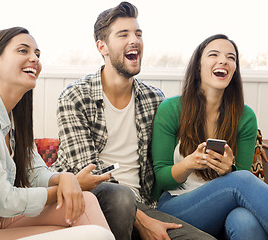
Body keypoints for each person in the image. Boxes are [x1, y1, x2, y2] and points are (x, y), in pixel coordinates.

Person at [50, 2, 215, 240]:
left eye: (138, 33)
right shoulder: (75, 97)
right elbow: (89, 174)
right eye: (123, 34)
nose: (135, 40)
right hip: (96, 201)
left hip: (146, 203)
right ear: (102, 47)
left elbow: (169, 159)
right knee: (120, 197)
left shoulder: (154, 98)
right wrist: (143, 221)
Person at [0, 27, 114, 240]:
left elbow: (34, 173)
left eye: (37, 54)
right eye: (23, 51)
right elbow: (4, 200)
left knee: (86, 203)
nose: (34, 58)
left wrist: (66, 177)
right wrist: (68, 187)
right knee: (96, 235)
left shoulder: (11, 116)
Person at [152, 34, 268, 240]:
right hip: (177, 204)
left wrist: (228, 169)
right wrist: (189, 163)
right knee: (239, 181)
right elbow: (161, 178)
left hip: (224, 206)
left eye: (231, 57)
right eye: (214, 54)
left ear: (234, 69)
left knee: (245, 222)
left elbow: (240, 176)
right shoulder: (171, 109)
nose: (223, 60)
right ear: (198, 65)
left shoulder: (245, 117)